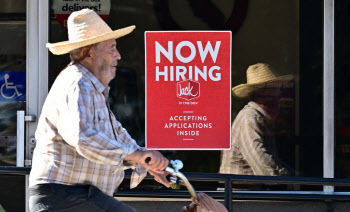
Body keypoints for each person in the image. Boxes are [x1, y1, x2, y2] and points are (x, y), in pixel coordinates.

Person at [29, 9, 171, 212]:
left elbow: (116, 134)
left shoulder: (92, 88)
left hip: (74, 196)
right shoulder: (78, 84)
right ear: (89, 52)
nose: (118, 55)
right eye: (112, 48)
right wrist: (137, 155)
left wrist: (146, 163)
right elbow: (83, 137)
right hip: (64, 196)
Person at [219, 63, 294, 177]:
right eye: (277, 89)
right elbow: (266, 170)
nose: (281, 95)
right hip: (240, 194)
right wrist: (293, 179)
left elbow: (272, 162)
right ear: (264, 92)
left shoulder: (259, 119)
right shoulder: (249, 119)